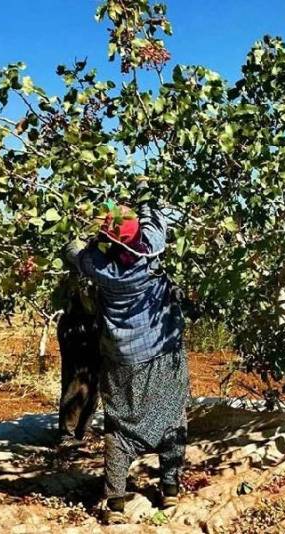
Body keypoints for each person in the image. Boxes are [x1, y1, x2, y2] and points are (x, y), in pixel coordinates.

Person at [64, 198, 187, 524]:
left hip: (122, 358)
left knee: (120, 424)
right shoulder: (152, 251)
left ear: (110, 241)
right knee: (172, 417)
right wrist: (143, 199)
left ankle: (115, 503)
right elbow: (155, 218)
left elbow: (71, 249)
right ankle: (170, 491)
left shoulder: (100, 267)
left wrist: (91, 234)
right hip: (164, 348)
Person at [55, 275, 101, 450]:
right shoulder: (81, 266)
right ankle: (67, 434)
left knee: (93, 380)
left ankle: (82, 430)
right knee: (77, 381)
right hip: (76, 326)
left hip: (92, 325)